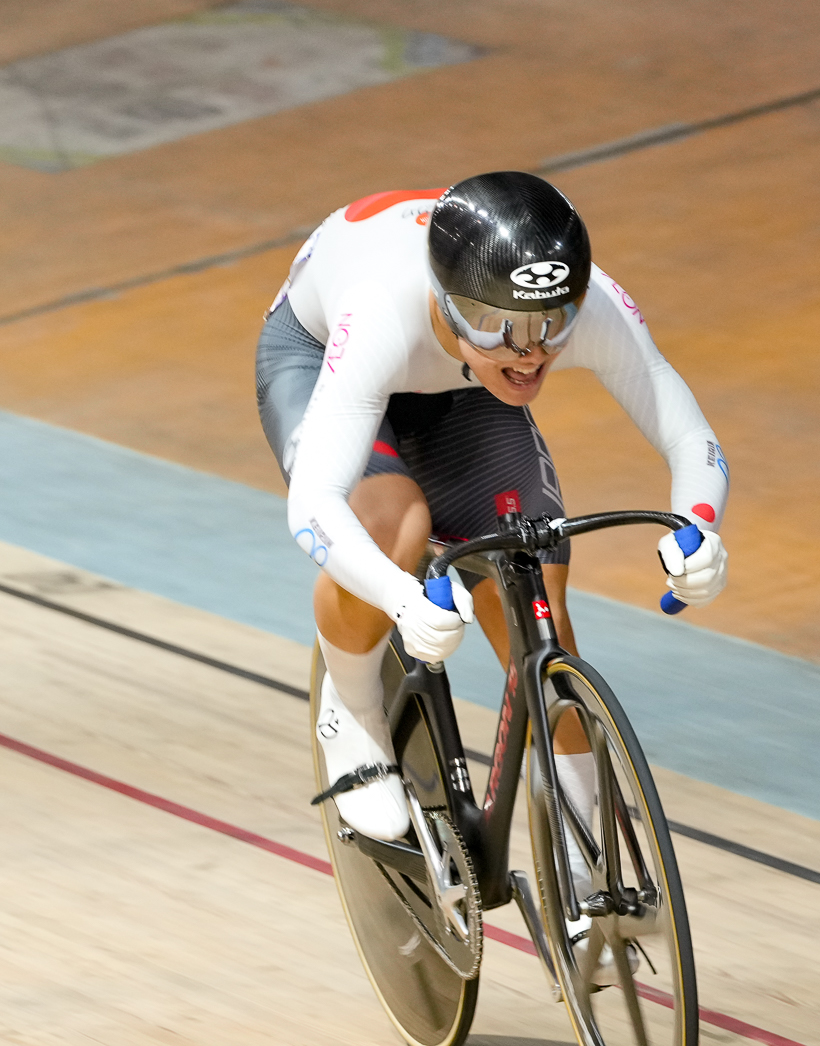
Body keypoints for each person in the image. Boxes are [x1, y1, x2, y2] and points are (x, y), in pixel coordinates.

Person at [256, 172, 729, 959]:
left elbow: (687, 433)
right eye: (495, 323)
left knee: (540, 600)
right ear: (445, 301)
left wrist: (699, 527)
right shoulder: (383, 306)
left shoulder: (575, 307)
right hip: (322, 360)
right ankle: (353, 705)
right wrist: (400, 600)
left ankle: (589, 876)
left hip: (457, 384)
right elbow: (313, 508)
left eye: (551, 323)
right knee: (395, 524)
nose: (529, 350)